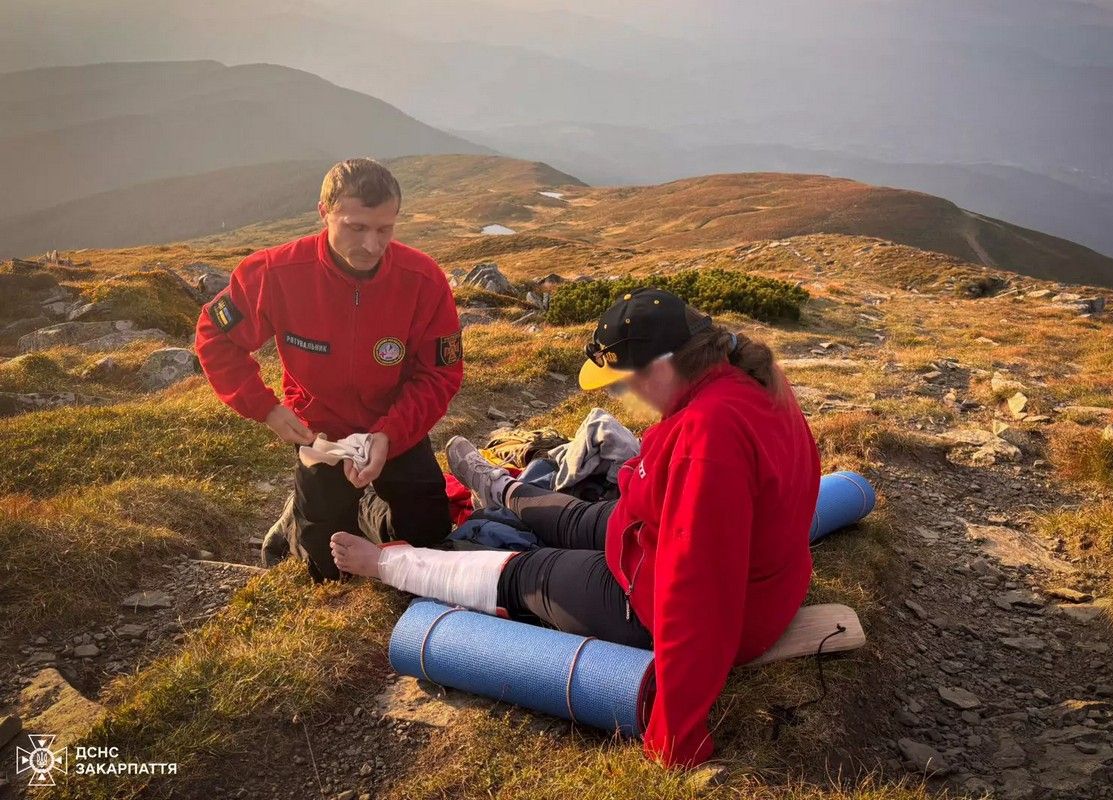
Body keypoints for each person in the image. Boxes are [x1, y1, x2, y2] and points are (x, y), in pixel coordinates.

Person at [331, 288, 820, 768]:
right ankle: (502, 490)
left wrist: (676, 736)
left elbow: (699, 596)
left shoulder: (708, 435)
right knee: (576, 516)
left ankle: (385, 563)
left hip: (700, 608)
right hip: (698, 553)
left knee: (533, 574)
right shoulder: (747, 381)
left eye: (623, 383)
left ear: (662, 366)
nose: (620, 395)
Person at [195, 158, 464, 582]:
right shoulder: (275, 273)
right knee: (323, 565)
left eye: (384, 229)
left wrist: (390, 434)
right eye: (356, 227)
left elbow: (439, 374)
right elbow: (216, 334)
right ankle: (302, 515)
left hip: (395, 424)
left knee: (429, 536)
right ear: (324, 212)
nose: (372, 245)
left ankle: (368, 506)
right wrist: (265, 408)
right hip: (319, 431)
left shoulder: (423, 280)